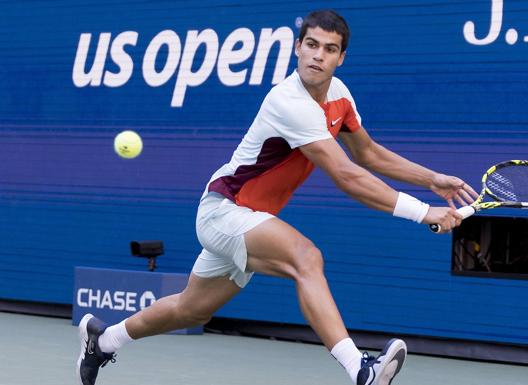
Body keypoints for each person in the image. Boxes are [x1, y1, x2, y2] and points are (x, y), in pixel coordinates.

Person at [76, 9, 478, 385]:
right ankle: (361, 369)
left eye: (330, 49)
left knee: (192, 308)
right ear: (298, 47)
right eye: (312, 45)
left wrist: (432, 178)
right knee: (307, 258)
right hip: (225, 210)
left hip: (249, 218)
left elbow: (368, 154)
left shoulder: (339, 94)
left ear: (341, 58)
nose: (318, 55)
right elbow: (346, 175)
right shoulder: (288, 102)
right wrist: (424, 212)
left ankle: (103, 340)